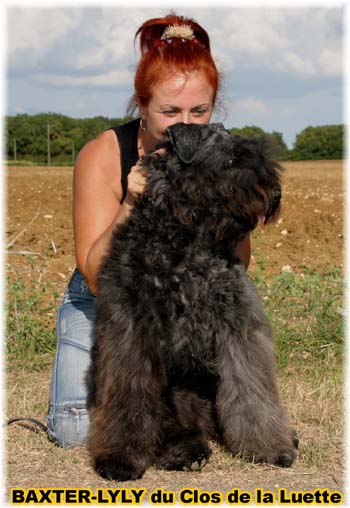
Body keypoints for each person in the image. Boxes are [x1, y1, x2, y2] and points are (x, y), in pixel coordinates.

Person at [47, 13, 251, 448]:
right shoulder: (103, 154)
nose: (186, 125)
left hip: (190, 298)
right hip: (107, 302)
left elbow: (238, 268)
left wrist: (225, 212)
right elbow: (99, 277)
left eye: (200, 110)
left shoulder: (220, 156)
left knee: (215, 419)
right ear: (142, 105)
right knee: (74, 432)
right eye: (169, 111)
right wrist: (130, 202)